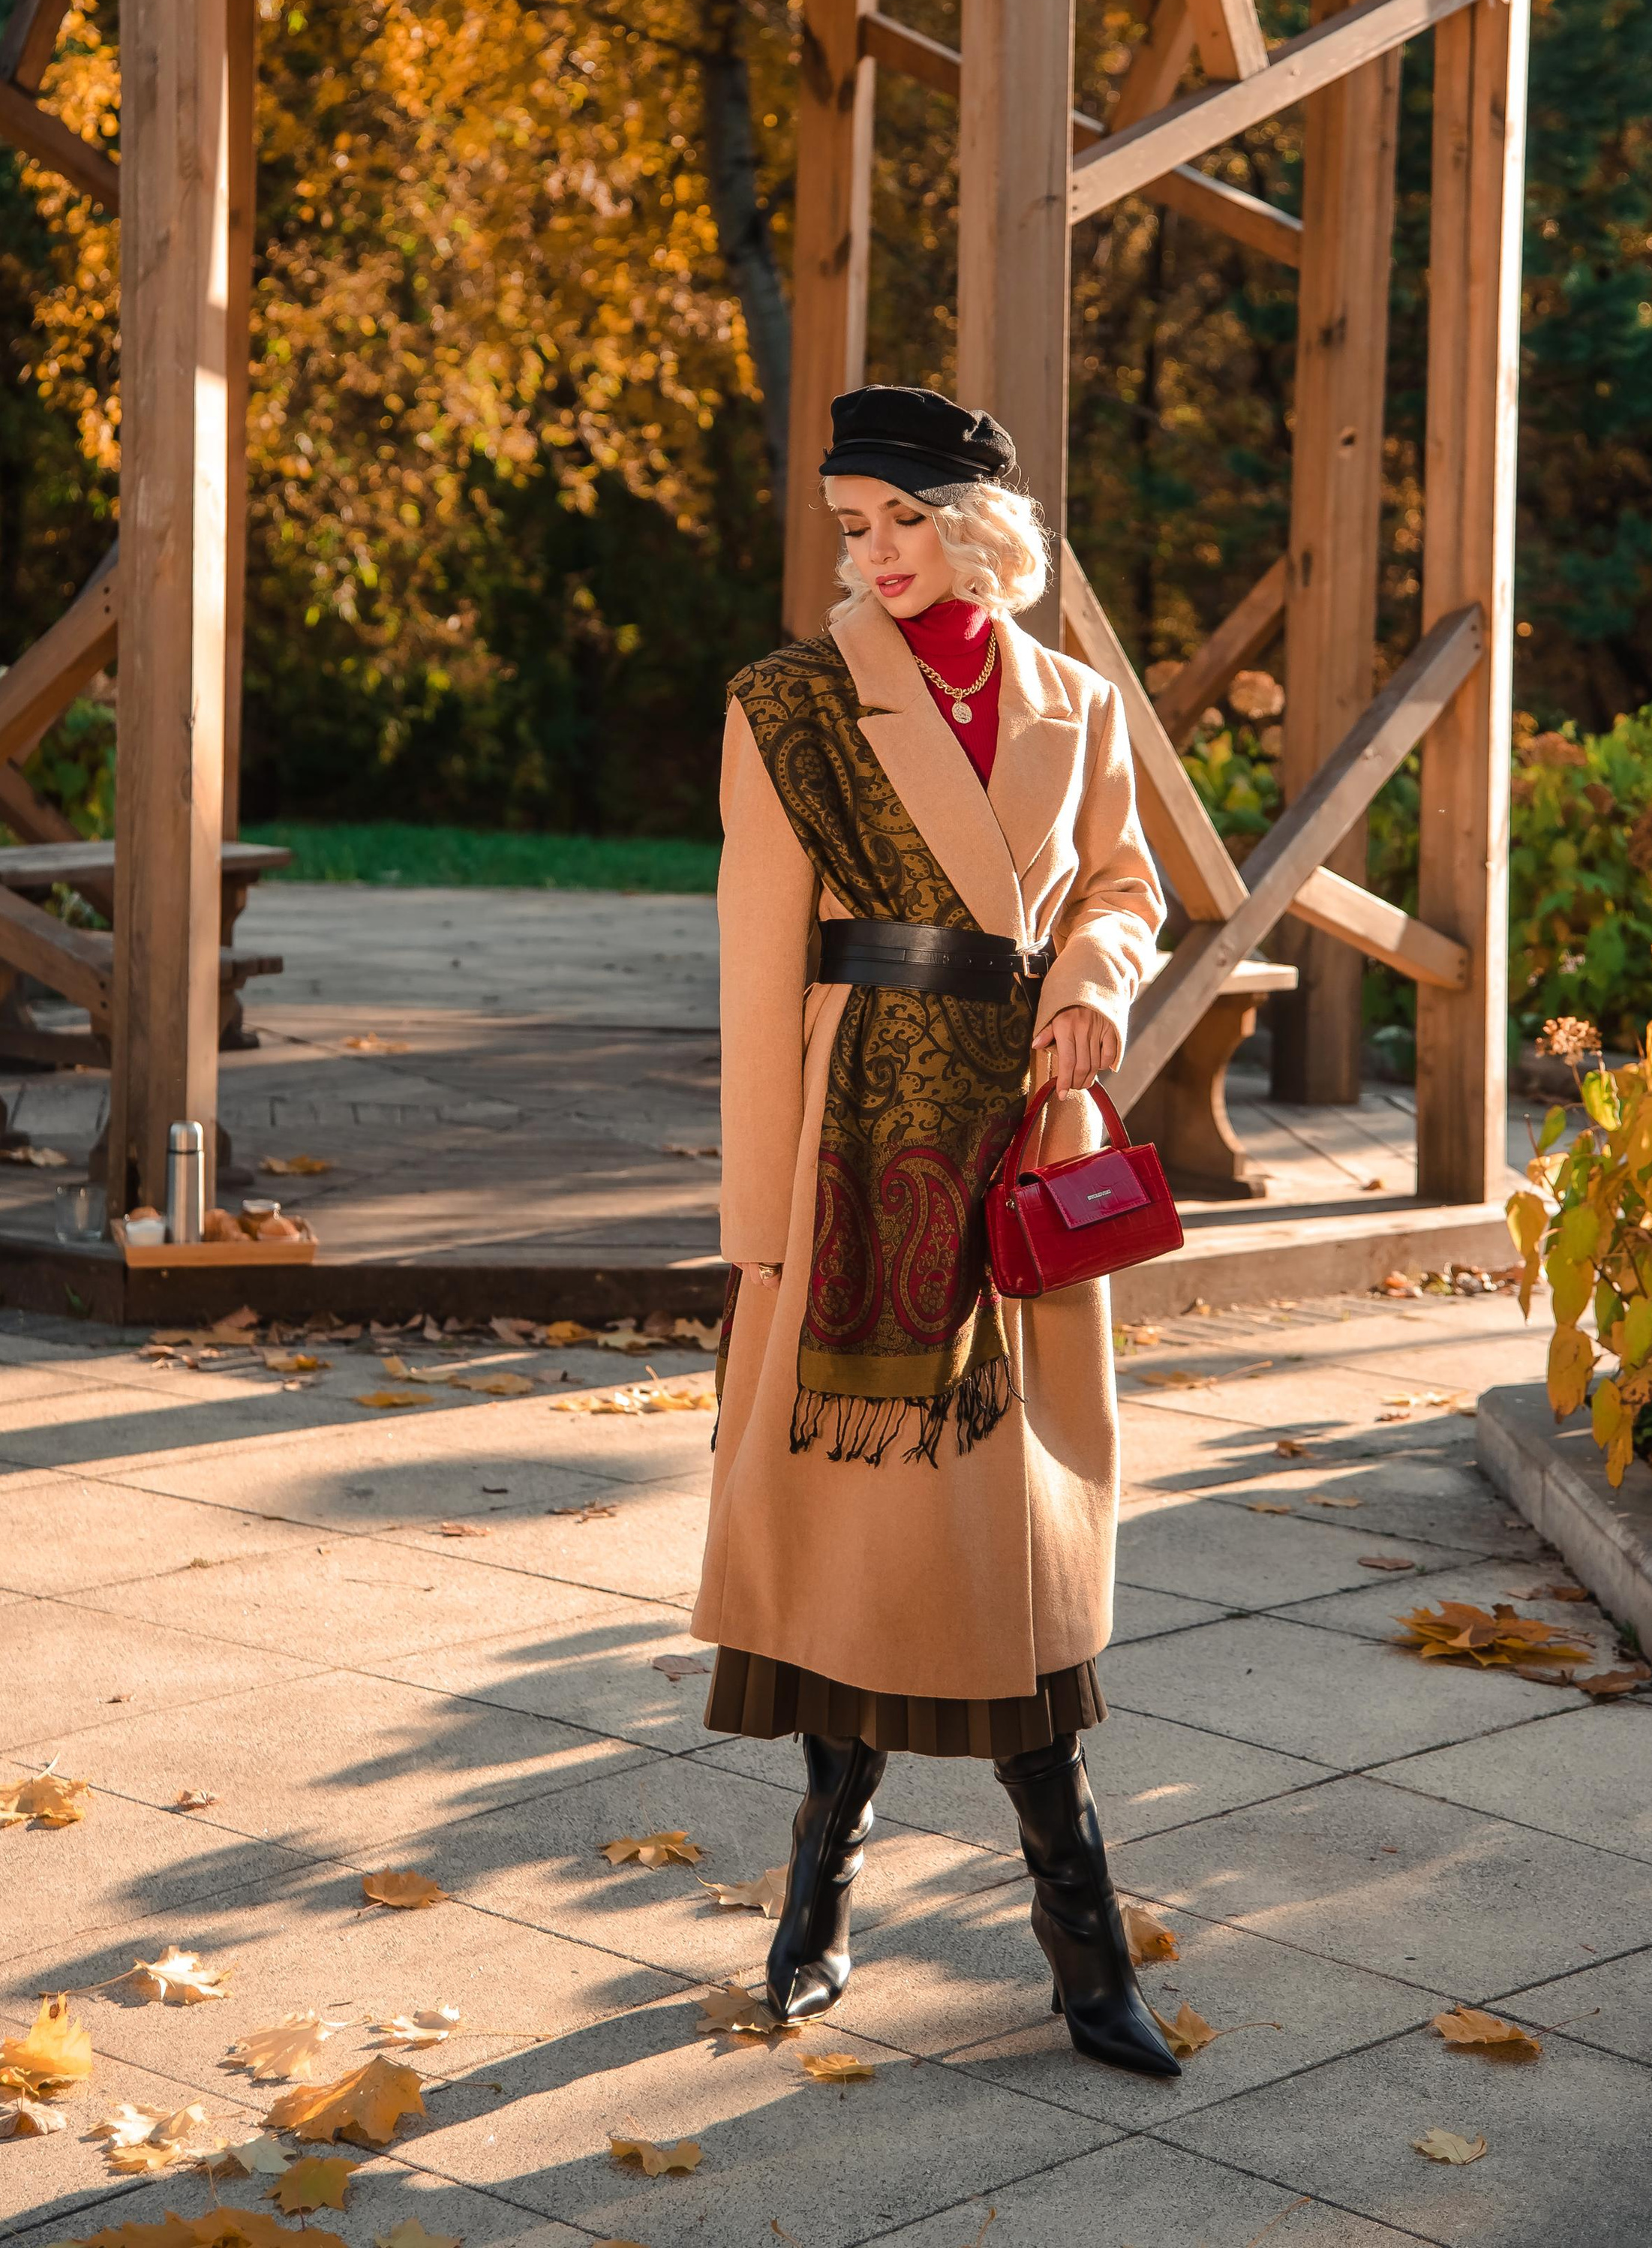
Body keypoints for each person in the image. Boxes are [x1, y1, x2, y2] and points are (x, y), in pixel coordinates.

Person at [692, 381, 1179, 2081]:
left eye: (900, 520)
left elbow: (1123, 888)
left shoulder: (1073, 703)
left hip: (1017, 1138)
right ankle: (814, 1905)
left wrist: (1095, 996)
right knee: (856, 1549)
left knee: (1012, 1564)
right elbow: (759, 967)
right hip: (852, 1156)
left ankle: (1082, 1951)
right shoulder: (789, 703)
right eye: (848, 526)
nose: (872, 554)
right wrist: (761, 1219)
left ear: (975, 525)